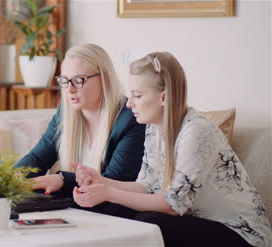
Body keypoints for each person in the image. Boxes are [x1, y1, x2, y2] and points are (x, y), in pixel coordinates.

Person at [72, 51, 272, 247]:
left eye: (138, 96)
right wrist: (101, 181)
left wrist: (109, 192)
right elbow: (146, 185)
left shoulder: (196, 132)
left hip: (242, 235)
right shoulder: (154, 127)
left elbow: (172, 206)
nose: (129, 103)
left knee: (149, 221)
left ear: (163, 97)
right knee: (116, 210)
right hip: (198, 222)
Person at [14, 43, 146, 197]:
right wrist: (9, 178)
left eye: (79, 80)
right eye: (65, 80)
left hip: (112, 212)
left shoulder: (130, 119)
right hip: (75, 206)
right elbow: (38, 158)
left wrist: (62, 179)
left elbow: (115, 182)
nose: (69, 89)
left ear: (105, 80)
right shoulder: (66, 112)